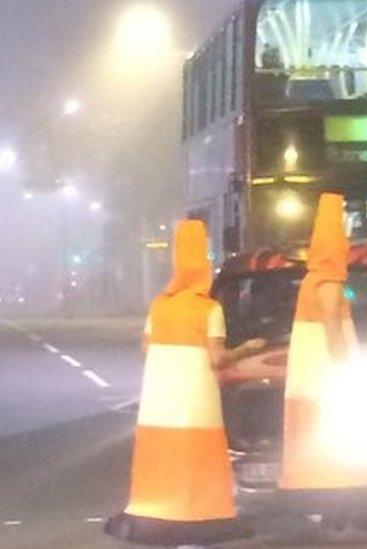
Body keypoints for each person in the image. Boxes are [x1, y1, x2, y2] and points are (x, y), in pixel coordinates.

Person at [105, 220, 265, 547]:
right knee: (197, 455)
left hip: (159, 403)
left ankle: (159, 513)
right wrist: (249, 349)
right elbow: (217, 359)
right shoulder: (209, 309)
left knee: (161, 455)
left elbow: (146, 347)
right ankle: (197, 515)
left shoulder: (160, 305)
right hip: (195, 401)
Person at [279, 193, 367, 543]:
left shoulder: (312, 278)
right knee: (340, 442)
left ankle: (332, 515)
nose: (348, 240)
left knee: (328, 444)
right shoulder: (328, 280)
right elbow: (332, 324)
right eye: (344, 234)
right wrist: (344, 368)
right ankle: (337, 517)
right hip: (328, 379)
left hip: (313, 380)